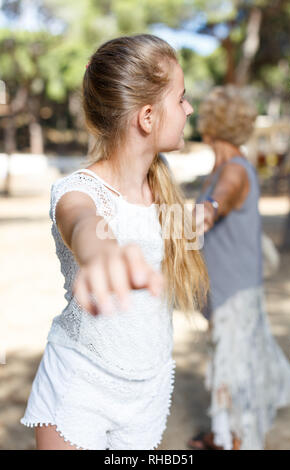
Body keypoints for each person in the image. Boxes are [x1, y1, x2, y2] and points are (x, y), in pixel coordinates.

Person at [20, 34, 209, 450]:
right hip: (80, 387)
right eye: (181, 98)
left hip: (148, 388)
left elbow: (162, 234)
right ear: (146, 117)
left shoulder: (161, 192)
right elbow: (83, 223)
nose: (189, 108)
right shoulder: (79, 192)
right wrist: (100, 254)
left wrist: (201, 218)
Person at [188, 85, 290, 450]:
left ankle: (235, 440)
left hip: (234, 294)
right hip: (224, 292)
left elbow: (210, 210)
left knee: (235, 369)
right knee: (226, 363)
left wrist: (196, 216)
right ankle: (223, 435)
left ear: (212, 126)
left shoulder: (234, 171)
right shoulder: (222, 168)